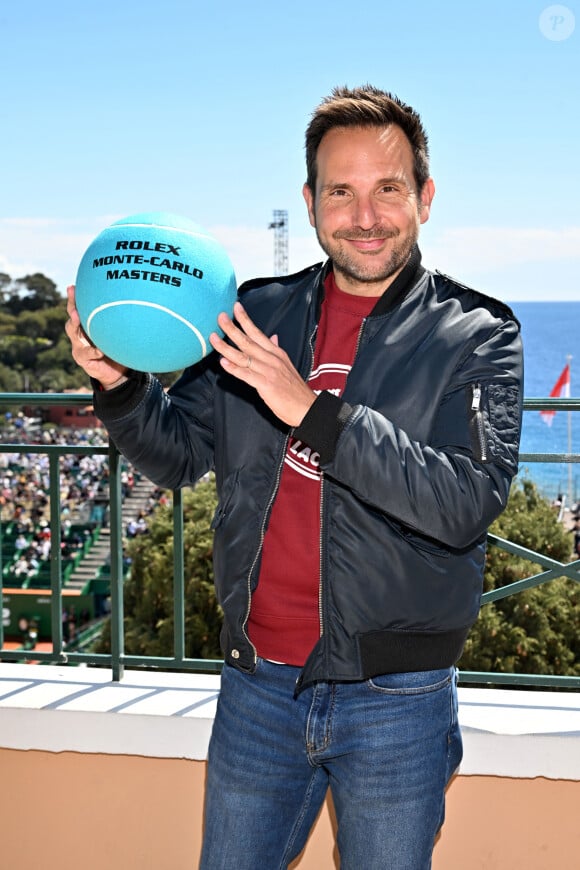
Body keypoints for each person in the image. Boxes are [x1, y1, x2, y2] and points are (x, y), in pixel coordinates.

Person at [66, 85, 523, 869]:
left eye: (388, 188)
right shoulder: (256, 313)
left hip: (396, 696)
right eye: (341, 192)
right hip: (257, 687)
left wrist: (311, 410)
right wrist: (121, 387)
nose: (366, 214)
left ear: (426, 197)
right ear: (311, 203)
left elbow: (462, 503)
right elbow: (180, 455)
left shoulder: (477, 334)